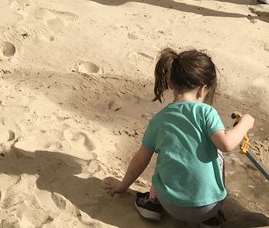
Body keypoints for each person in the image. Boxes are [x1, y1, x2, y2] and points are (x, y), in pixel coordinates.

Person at [104, 48, 253, 225]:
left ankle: (152, 202)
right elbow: (227, 144)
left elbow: (139, 162)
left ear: (171, 84)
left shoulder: (158, 120)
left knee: (168, 151)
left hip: (171, 205)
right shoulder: (206, 112)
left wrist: (122, 187)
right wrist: (246, 123)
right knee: (217, 151)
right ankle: (212, 218)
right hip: (210, 206)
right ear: (203, 89)